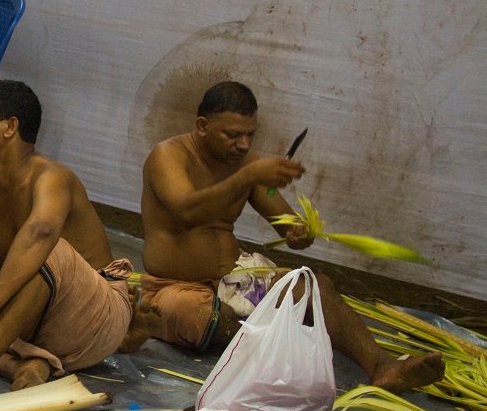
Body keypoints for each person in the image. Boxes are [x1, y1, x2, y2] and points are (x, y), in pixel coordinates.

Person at [140, 79, 443, 392]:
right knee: (201, 316)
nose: (244, 145)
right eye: (232, 135)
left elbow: (286, 226)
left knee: (316, 287)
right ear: (203, 126)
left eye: (250, 135)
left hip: (237, 280)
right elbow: (186, 210)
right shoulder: (169, 156)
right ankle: (258, 329)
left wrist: (299, 232)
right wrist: (247, 175)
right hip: (175, 287)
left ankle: (384, 366)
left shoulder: (246, 164)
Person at [0, 80, 157, 401]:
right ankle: (26, 364)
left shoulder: (53, 178)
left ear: (10, 127)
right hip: (28, 321)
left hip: (90, 318)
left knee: (47, 250)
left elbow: (41, 236)